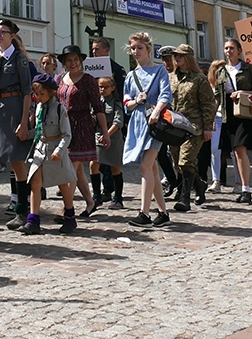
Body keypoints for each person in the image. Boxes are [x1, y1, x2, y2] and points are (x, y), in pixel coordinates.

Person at [0, 18, 33, 231]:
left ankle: (21, 210)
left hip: (13, 107)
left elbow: (27, 92)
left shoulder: (19, 59)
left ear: (12, 35)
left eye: (3, 31)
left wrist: (23, 122)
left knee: (17, 160)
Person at [123, 32, 173, 227]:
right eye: (133, 48)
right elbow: (126, 101)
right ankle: (163, 212)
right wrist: (136, 101)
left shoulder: (159, 70)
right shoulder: (130, 75)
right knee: (151, 168)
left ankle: (144, 213)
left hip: (155, 124)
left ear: (148, 49)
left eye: (140, 48)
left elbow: (165, 94)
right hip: (137, 122)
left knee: (145, 165)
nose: (136, 52)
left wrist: (157, 111)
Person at [20, 74, 78, 234]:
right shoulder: (39, 108)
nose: (38, 97)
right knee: (35, 183)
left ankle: (70, 216)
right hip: (40, 150)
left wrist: (59, 151)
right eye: (36, 94)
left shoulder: (60, 109)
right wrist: (26, 134)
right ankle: (33, 219)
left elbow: (67, 134)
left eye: (41, 94)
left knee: (63, 184)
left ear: (51, 91)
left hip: (55, 152)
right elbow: (39, 131)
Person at [56, 44, 109, 219]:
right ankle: (90, 202)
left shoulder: (88, 80)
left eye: (75, 60)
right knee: (77, 171)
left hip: (82, 126)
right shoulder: (60, 80)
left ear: (80, 61)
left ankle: (66, 209)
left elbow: (98, 106)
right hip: (64, 126)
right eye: (69, 60)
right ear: (64, 62)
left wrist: (105, 131)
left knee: (71, 167)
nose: (73, 63)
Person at [168, 45, 216, 212]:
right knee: (178, 164)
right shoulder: (170, 78)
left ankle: (185, 198)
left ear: (188, 57)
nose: (176, 58)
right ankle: (199, 185)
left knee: (186, 161)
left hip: (194, 126)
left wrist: (208, 127)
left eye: (180, 55)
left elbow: (209, 104)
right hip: (174, 126)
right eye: (175, 56)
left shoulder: (199, 79)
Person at [214, 39, 252, 204]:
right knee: (234, 151)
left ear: (239, 50)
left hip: (244, 112)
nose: (229, 51)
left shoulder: (248, 69)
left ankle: (246, 189)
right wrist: (211, 117)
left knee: (240, 150)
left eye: (232, 48)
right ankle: (242, 188)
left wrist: (242, 92)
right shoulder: (220, 71)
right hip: (228, 114)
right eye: (226, 48)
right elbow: (217, 96)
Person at [156, 46, 181, 200]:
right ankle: (172, 180)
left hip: (180, 119)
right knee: (160, 153)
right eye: (164, 60)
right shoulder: (161, 75)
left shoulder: (182, 75)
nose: (167, 63)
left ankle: (185, 185)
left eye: (170, 59)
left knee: (178, 155)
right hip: (165, 119)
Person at [97, 75, 126, 209]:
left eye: (105, 87)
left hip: (113, 137)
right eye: (100, 87)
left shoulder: (116, 103)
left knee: (115, 167)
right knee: (94, 163)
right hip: (98, 135)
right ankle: (96, 195)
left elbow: (118, 122)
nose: (102, 89)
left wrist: (107, 134)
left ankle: (118, 198)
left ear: (113, 88)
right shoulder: (97, 102)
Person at [204, 60, 228, 193]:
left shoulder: (229, 84)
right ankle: (216, 180)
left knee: (234, 151)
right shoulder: (209, 86)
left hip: (229, 117)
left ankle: (240, 182)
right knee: (215, 150)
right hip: (216, 119)